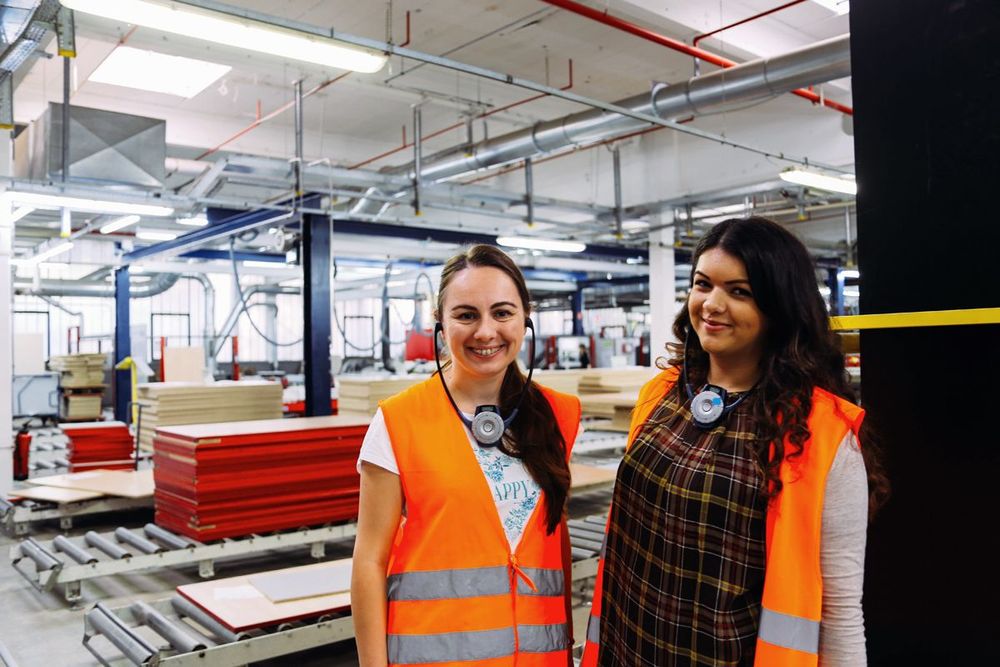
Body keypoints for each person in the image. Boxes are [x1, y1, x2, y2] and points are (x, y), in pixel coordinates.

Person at [582, 217, 889, 667]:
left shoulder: (822, 432)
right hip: (627, 651)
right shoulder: (660, 395)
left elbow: (840, 611)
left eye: (739, 291)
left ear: (779, 308)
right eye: (702, 284)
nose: (712, 304)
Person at [352, 243, 581, 667]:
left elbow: (555, 542)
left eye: (502, 312)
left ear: (525, 318)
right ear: (440, 322)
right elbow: (369, 561)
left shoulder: (557, 415)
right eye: (466, 315)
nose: (486, 332)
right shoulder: (399, 422)